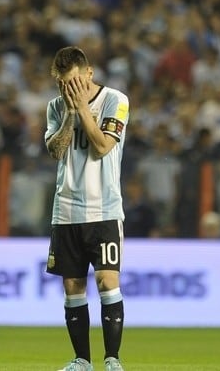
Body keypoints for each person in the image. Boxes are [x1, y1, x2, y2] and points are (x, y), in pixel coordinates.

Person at [44, 46, 130, 371]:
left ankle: (112, 360)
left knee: (108, 281)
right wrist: (69, 112)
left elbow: (103, 146)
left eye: (76, 82)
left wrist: (82, 109)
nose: (70, 90)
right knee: (72, 287)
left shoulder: (115, 101)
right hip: (65, 210)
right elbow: (55, 150)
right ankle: (82, 360)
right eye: (64, 84)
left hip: (104, 209)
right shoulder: (55, 107)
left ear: (89, 74)